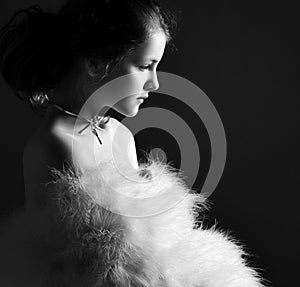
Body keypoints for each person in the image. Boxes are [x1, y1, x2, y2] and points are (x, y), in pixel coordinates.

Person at [0, 0, 265, 286]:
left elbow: (148, 244)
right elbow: (74, 269)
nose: (154, 83)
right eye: (144, 66)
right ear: (96, 63)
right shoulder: (53, 146)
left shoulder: (119, 134)